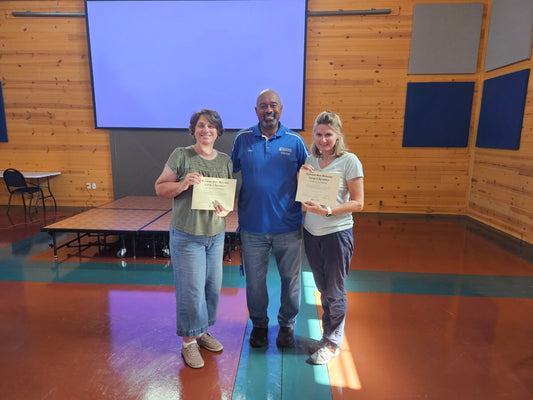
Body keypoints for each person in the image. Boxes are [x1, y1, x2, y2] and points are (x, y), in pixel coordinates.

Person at [155, 109, 233, 369]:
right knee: (191, 290)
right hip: (187, 235)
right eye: (201, 126)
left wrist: (227, 209)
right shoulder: (181, 155)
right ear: (193, 130)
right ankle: (188, 342)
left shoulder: (224, 160)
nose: (206, 130)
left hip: (216, 235)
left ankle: (201, 333)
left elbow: (226, 196)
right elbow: (160, 187)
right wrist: (181, 185)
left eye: (211, 126)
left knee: (211, 287)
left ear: (218, 131)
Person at [231, 89, 309, 348]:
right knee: (254, 282)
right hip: (252, 228)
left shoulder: (295, 141)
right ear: (256, 111)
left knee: (291, 280)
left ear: (281, 109)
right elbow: (226, 173)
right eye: (263, 106)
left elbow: (313, 174)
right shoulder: (242, 139)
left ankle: (287, 324)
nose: (268, 109)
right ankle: (260, 325)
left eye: (273, 105)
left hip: (288, 227)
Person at [300, 110, 364, 365]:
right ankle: (328, 336)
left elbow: (358, 203)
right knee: (323, 289)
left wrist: (327, 211)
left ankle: (333, 343)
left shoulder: (350, 161)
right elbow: (305, 196)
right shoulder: (310, 160)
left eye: (328, 134)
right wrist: (302, 175)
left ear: (338, 136)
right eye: (319, 134)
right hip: (311, 233)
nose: (323, 139)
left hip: (336, 235)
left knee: (335, 292)